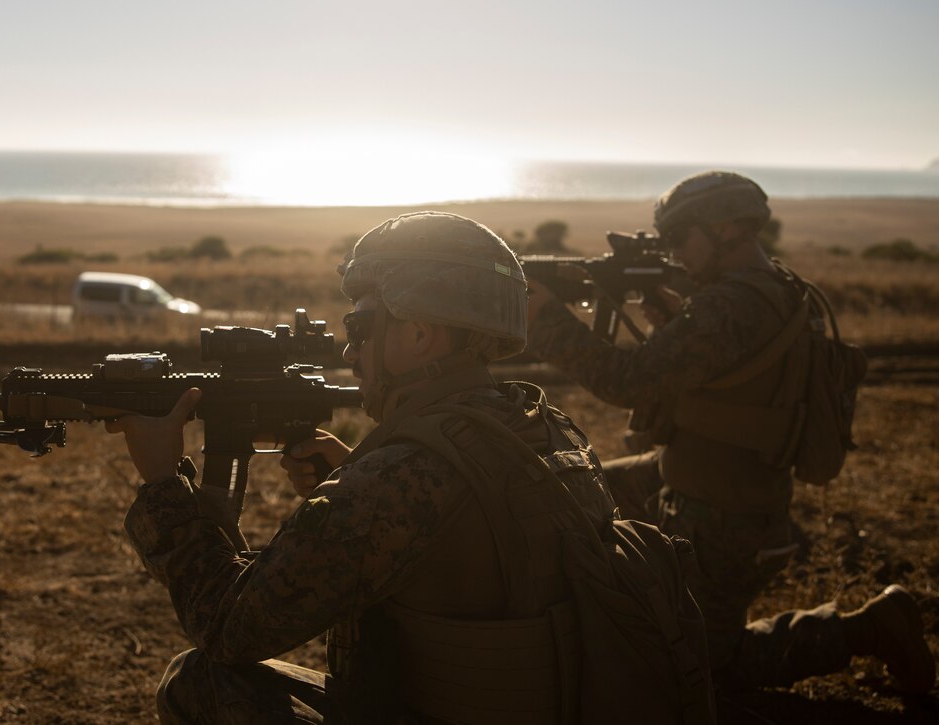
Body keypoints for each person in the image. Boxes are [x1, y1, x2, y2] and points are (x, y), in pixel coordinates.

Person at [107, 211, 623, 723]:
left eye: (360, 326)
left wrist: (162, 482)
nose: (350, 351)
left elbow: (226, 627)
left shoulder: (396, 479)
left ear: (420, 335)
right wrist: (360, 471)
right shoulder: (550, 430)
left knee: (198, 683)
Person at [525, 170, 936, 695]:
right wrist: (676, 325)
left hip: (723, 518)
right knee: (577, 493)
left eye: (679, 239)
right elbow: (729, 370)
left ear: (723, 229)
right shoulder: (776, 287)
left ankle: (871, 626)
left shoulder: (727, 306)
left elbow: (626, 382)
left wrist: (548, 321)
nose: (673, 255)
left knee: (706, 668)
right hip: (708, 481)